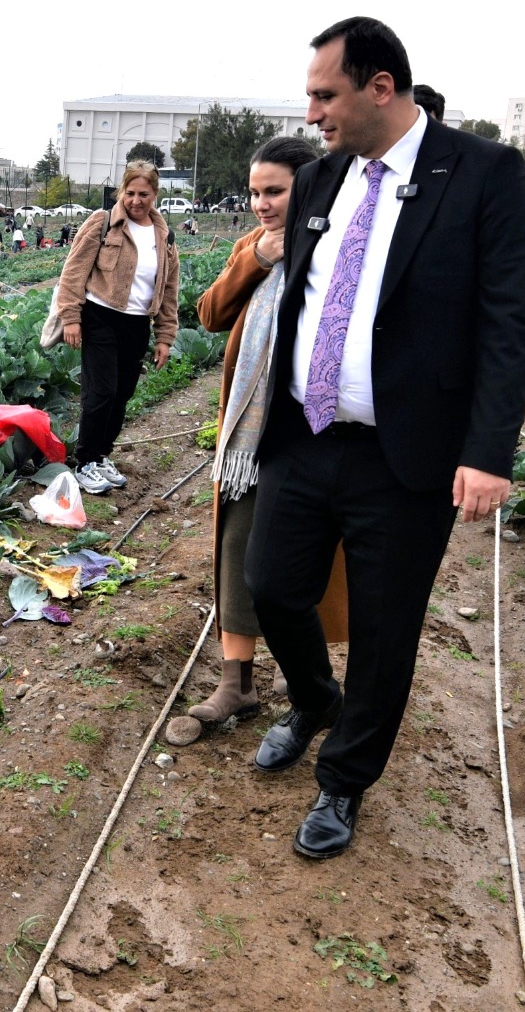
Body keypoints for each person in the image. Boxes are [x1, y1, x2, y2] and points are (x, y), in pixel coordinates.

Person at [245, 17, 525, 860]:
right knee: (272, 587)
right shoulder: (324, 179)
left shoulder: (482, 174)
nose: (312, 114)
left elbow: (507, 325)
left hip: (406, 455)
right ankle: (312, 698)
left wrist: (487, 453)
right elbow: (300, 297)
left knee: (384, 627)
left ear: (381, 86)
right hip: (305, 434)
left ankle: (344, 781)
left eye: (324, 95)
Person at [191, 137, 348, 723]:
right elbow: (209, 314)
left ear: (306, 186)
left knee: (301, 564)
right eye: (256, 191)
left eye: (274, 190)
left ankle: (309, 683)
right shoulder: (253, 247)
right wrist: (255, 261)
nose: (261, 202)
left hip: (313, 430)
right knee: (238, 548)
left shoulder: (336, 246)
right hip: (252, 436)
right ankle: (237, 683)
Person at [54, 161, 180, 495]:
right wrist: (71, 317)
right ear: (121, 192)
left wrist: (165, 337)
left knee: (123, 393)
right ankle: (85, 461)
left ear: (155, 194)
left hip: (137, 323)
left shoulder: (164, 237)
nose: (136, 200)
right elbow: (74, 271)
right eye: (130, 193)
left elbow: (168, 291)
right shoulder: (103, 223)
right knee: (102, 390)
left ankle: (102, 454)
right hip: (100, 317)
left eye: (144, 194)